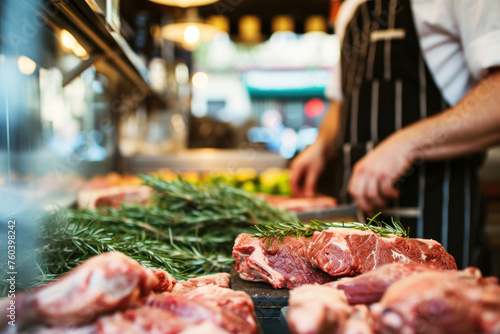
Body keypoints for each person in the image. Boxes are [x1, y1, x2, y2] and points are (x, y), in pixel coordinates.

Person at [290, 0, 500, 271]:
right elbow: (341, 100)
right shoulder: (351, 9)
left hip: (437, 219)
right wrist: (321, 145)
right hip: (351, 226)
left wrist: (408, 144)